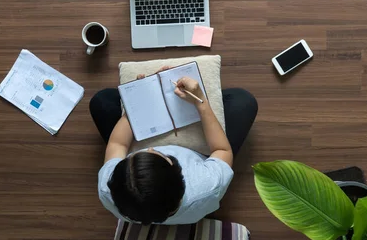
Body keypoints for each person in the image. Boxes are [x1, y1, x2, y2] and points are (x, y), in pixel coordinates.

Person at [90, 67, 258, 225]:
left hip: (149, 208)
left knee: (101, 100)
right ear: (177, 169)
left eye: (133, 156)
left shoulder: (108, 189)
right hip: (198, 156)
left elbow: (117, 144)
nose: (149, 148)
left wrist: (138, 105)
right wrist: (200, 102)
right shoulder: (206, 186)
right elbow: (222, 150)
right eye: (156, 153)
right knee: (243, 101)